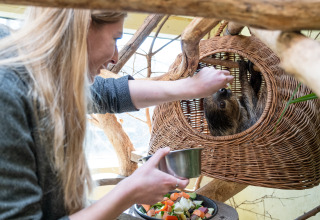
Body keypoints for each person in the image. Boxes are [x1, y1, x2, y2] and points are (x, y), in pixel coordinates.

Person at [0, 7, 234, 220]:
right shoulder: (7, 92)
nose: (115, 57)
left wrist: (189, 88)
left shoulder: (44, 74)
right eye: (115, 39)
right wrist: (130, 191)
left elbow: (107, 93)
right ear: (80, 28)